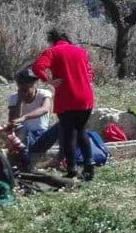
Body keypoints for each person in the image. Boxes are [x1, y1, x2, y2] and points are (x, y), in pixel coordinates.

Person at [32, 28, 96, 180]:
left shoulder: (52, 51)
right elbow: (90, 73)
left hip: (67, 97)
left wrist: (48, 81)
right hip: (85, 96)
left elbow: (37, 67)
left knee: (69, 134)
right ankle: (89, 166)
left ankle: (72, 168)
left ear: (52, 40)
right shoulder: (81, 51)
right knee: (81, 131)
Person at [8, 68, 61, 169]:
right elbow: (13, 120)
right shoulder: (14, 98)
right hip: (25, 137)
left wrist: (25, 117)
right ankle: (25, 161)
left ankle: (61, 158)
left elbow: (45, 109)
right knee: (21, 128)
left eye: (31, 83)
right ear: (19, 85)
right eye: (25, 83)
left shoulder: (44, 93)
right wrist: (20, 101)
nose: (29, 85)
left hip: (42, 135)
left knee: (63, 123)